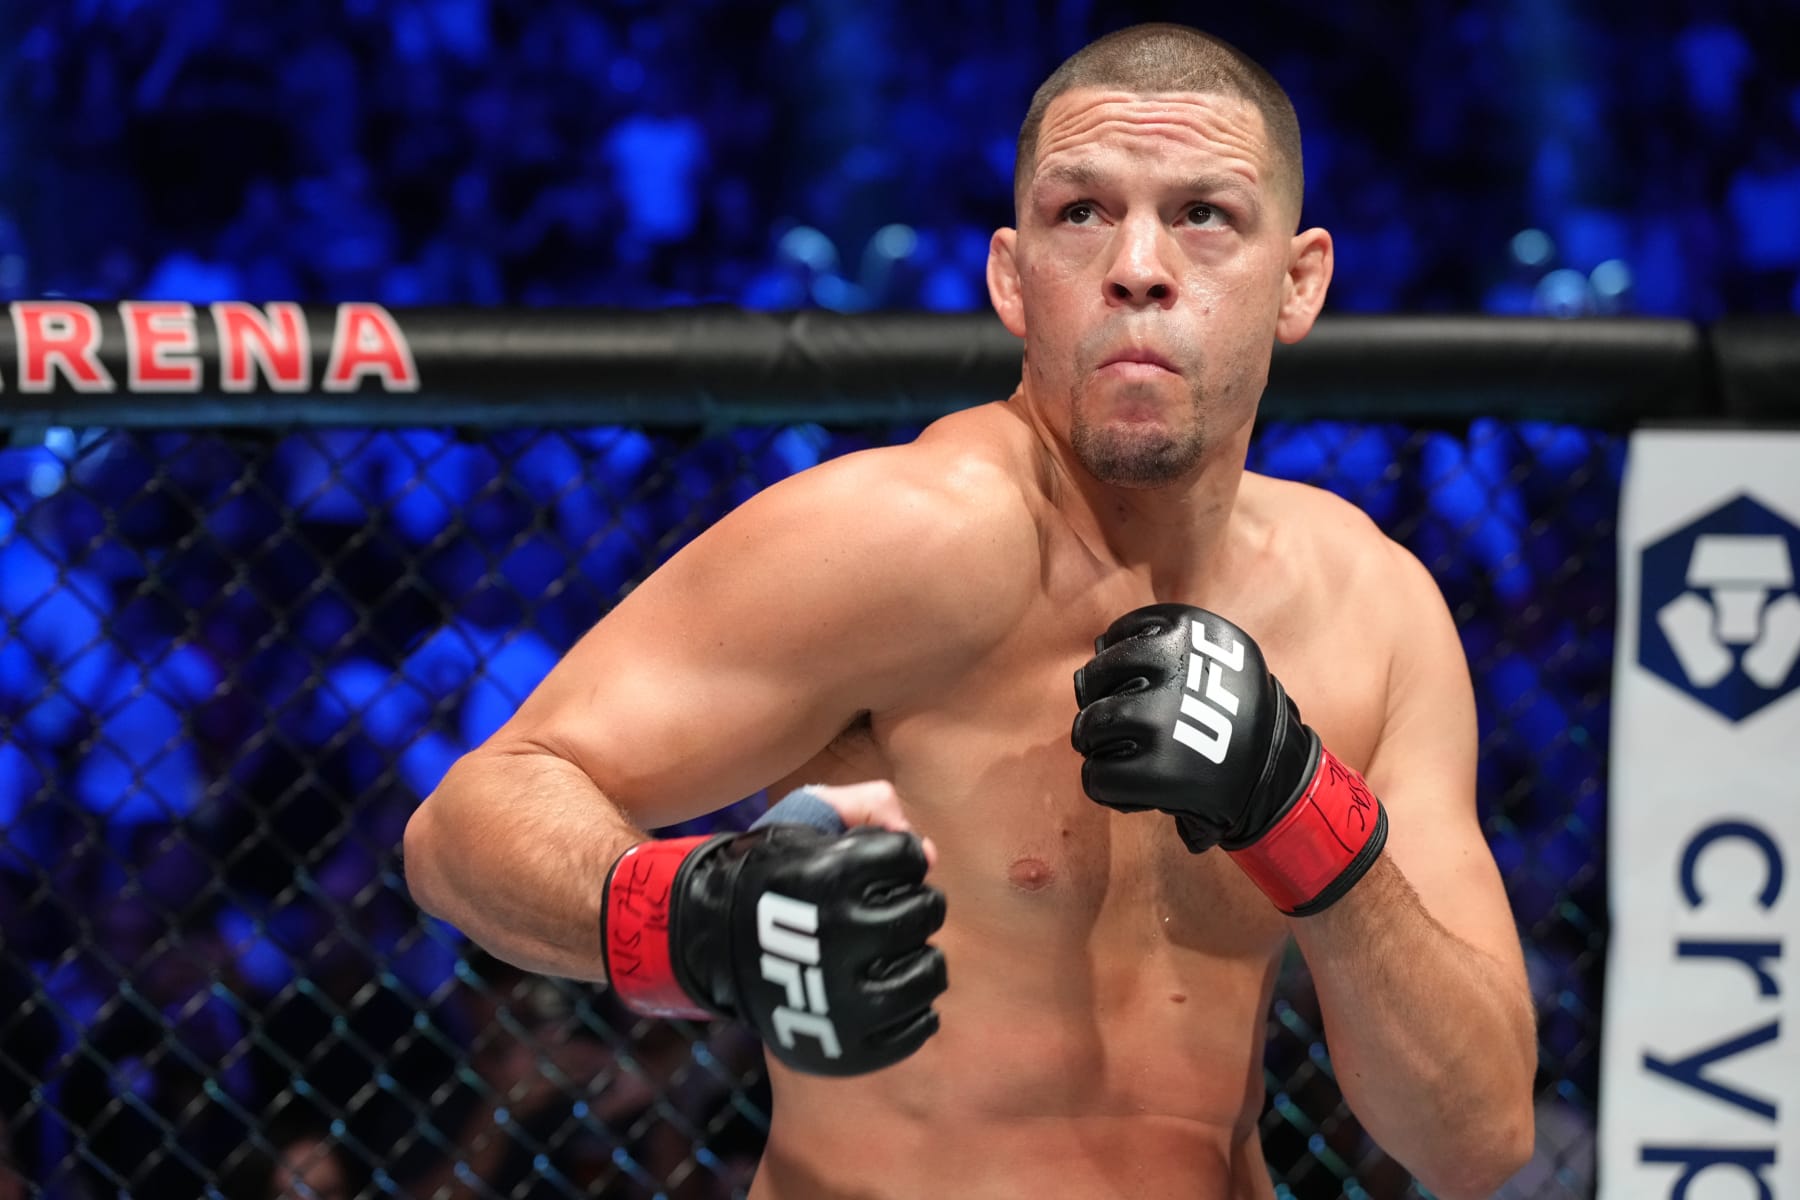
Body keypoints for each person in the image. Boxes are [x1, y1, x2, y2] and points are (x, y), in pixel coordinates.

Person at [403, 22, 1537, 1200]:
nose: (1139, 264)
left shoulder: (1375, 605)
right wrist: (700, 920)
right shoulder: (900, 538)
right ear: (1011, 277)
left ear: (1298, 281)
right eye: (1081, 212)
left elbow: (1477, 1136)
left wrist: (1301, 811)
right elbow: (463, 828)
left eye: (1205, 214)